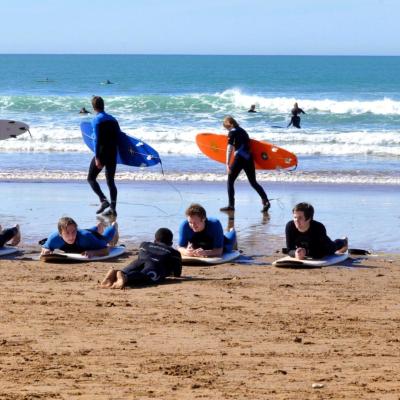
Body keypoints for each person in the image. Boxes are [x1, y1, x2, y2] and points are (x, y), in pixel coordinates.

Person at [100, 228, 182, 289]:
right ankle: (126, 278)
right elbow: (177, 274)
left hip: (138, 262)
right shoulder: (174, 253)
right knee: (146, 277)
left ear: (154, 240)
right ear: (171, 243)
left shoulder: (144, 245)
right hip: (155, 265)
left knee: (128, 271)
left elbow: (141, 257)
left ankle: (115, 273)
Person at [220, 116, 270, 213]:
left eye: (227, 127)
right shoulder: (243, 131)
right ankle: (266, 201)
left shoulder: (232, 132)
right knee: (253, 182)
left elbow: (229, 148)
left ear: (229, 124)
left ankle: (231, 205)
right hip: (248, 158)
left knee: (230, 181)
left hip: (239, 158)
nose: (227, 130)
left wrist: (227, 163)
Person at [87, 96, 120, 217]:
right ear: (103, 105)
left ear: (93, 107)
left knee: (91, 178)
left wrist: (97, 157)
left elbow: (97, 140)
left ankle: (103, 200)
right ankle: (113, 208)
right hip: (113, 153)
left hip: (102, 153)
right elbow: (119, 137)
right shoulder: (113, 119)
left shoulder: (96, 120)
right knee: (111, 182)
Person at [41, 217, 119, 258]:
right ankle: (97, 227)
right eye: (67, 233)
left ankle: (114, 226)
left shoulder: (86, 238)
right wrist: (46, 250)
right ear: (60, 234)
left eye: (73, 232)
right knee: (87, 232)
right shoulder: (54, 239)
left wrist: (93, 252)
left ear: (76, 230)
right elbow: (45, 247)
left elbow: (106, 249)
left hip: (88, 236)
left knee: (107, 239)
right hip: (85, 233)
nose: (71, 236)